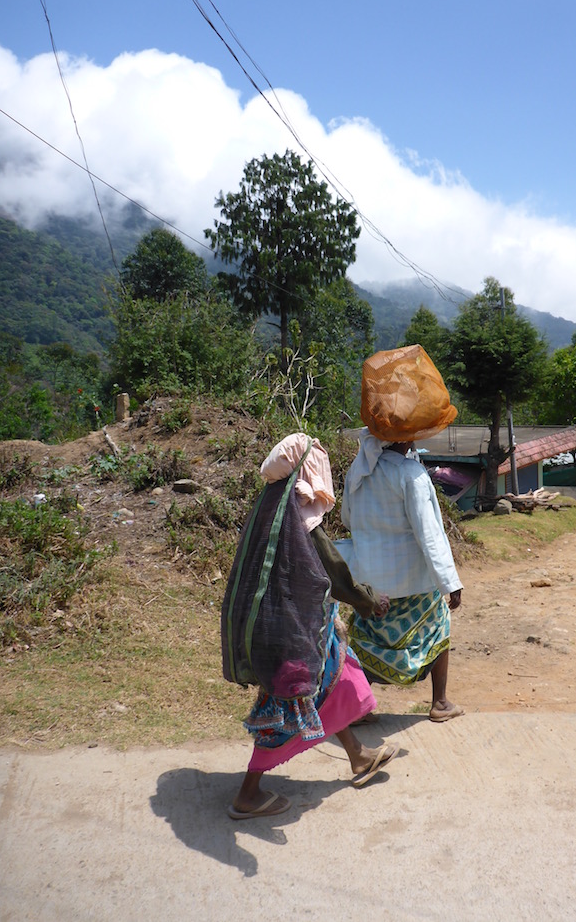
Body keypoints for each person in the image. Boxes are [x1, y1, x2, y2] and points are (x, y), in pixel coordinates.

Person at [221, 432, 399, 820]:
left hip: (292, 624)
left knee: (338, 676)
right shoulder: (300, 508)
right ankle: (247, 794)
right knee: (287, 706)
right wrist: (368, 601)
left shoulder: (272, 501)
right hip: (292, 632)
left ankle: (358, 756)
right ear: (310, 469)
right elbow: (333, 571)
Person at [337, 345, 465, 723]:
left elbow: (346, 518)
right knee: (439, 628)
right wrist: (450, 582)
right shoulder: (411, 475)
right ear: (411, 435)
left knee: (364, 641)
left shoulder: (359, 472)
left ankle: (359, 706)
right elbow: (431, 536)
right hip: (415, 580)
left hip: (372, 583)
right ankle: (440, 702)